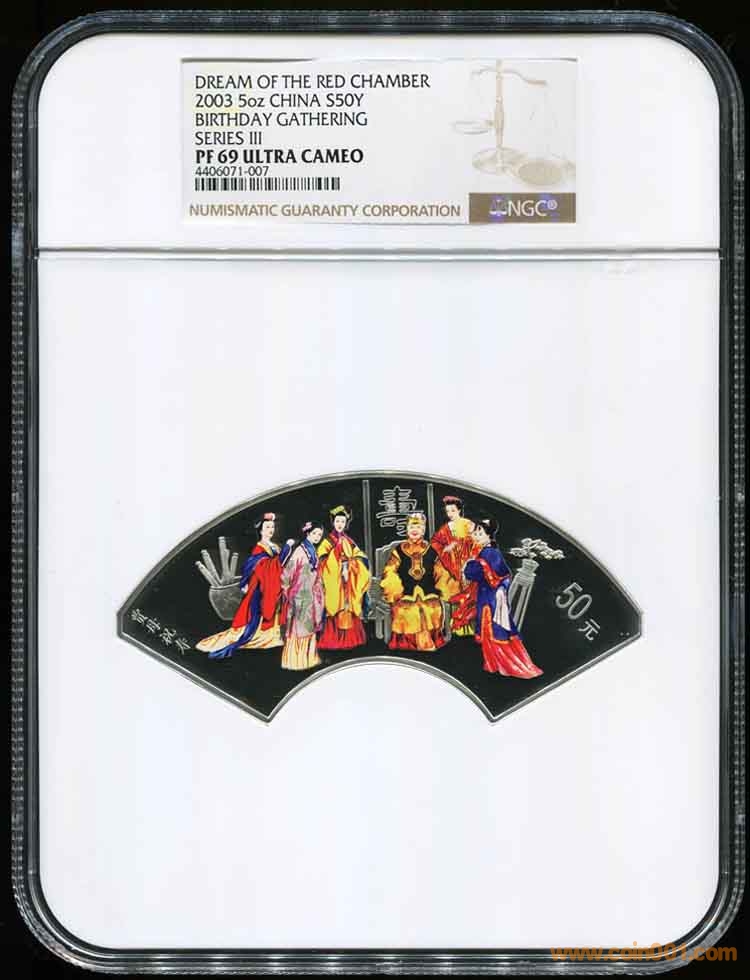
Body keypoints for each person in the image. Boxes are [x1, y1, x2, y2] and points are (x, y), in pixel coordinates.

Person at [455, 518, 543, 678]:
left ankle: (505, 664)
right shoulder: (487, 552)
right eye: (475, 532)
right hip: (488, 597)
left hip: (491, 599)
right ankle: (494, 663)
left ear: (489, 535)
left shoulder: (489, 553)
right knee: (491, 631)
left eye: (479, 532)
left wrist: (468, 565)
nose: (475, 535)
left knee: (493, 631)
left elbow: (476, 573)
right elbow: (503, 575)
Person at [196, 513, 291, 659]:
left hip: (273, 584)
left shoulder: (274, 546)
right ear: (260, 530)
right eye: (267, 527)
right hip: (261, 586)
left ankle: (275, 634)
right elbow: (262, 566)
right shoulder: (259, 548)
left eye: (272, 527)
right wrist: (285, 550)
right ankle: (261, 635)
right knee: (260, 612)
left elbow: (279, 566)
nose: (271, 530)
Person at [380, 511, 450, 652]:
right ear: (407, 529)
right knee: (408, 612)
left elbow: (440, 571)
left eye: (418, 527)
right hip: (405, 595)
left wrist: (444, 588)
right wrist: (395, 590)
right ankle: (409, 645)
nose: (415, 530)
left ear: (423, 530)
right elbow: (390, 571)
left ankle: (428, 642)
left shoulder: (431, 550)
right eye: (412, 527)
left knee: (431, 610)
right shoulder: (399, 551)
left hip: (429, 595)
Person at [317, 505, 371, 650]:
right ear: (333, 522)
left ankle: (351, 640)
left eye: (342, 521)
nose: (340, 524)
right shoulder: (327, 541)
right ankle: (334, 641)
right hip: (334, 581)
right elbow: (321, 561)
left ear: (346, 523)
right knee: (335, 607)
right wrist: (338, 562)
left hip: (349, 580)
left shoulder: (349, 541)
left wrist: (353, 565)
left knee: (349, 608)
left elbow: (361, 557)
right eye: (337, 521)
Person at [280, 521, 325, 671]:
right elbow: (286, 574)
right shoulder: (299, 552)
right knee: (298, 630)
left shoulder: (312, 551)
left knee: (308, 629)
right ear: (307, 533)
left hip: (311, 596)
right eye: (314, 533)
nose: (317, 537)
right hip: (299, 596)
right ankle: (295, 661)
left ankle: (309, 659)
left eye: (319, 534)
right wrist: (289, 593)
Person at [430, 494, 477, 635]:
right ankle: (449, 626)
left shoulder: (468, 524)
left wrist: (466, 551)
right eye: (448, 511)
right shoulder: (446, 528)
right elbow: (435, 542)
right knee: (446, 587)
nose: (450, 514)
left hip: (466, 561)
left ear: (459, 510)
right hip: (448, 563)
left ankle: (465, 626)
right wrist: (446, 548)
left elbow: (477, 542)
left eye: (453, 511)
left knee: (469, 591)